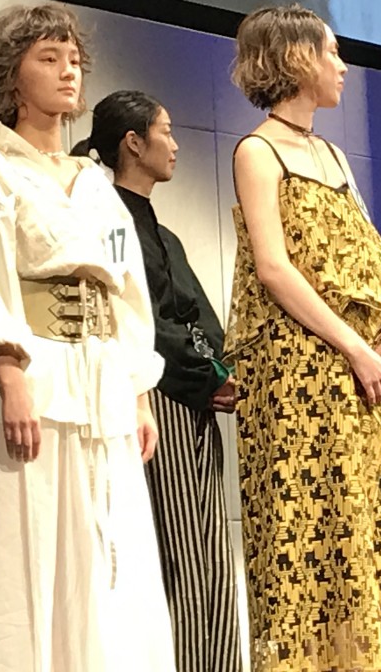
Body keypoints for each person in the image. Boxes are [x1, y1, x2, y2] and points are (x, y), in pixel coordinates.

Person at [224, 3, 381, 671]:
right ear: (296, 59)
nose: (341, 66)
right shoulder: (257, 152)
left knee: (371, 529)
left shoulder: (333, 155)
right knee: (310, 532)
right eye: (331, 52)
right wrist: (353, 346)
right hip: (300, 377)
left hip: (365, 375)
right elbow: (273, 268)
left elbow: (371, 260)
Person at [0, 3, 175, 670]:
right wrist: (10, 374)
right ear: (12, 75)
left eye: (74, 60)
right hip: (39, 380)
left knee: (111, 554)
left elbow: (126, 289)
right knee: (29, 551)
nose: (68, 71)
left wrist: (139, 395)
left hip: (103, 386)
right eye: (48, 58)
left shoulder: (96, 185)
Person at [72, 90, 242, 672]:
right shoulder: (110, 221)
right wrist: (203, 373)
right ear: (133, 143)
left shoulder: (163, 235)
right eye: (165, 132)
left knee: (212, 553)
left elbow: (198, 316)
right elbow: (136, 317)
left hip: (194, 402)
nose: (174, 144)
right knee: (182, 556)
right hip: (158, 399)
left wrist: (221, 371)